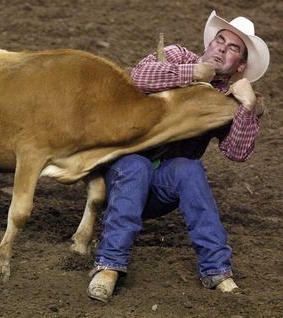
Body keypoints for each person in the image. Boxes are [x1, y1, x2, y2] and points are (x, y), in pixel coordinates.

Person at [87, 10, 270, 302]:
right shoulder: (177, 56)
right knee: (136, 165)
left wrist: (247, 106)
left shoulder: (227, 100)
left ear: (241, 65)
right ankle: (109, 265)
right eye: (219, 40)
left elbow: (237, 153)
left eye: (233, 48)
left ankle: (217, 270)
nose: (221, 48)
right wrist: (193, 73)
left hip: (160, 185)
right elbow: (138, 76)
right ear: (210, 44)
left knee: (189, 169)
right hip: (119, 170)